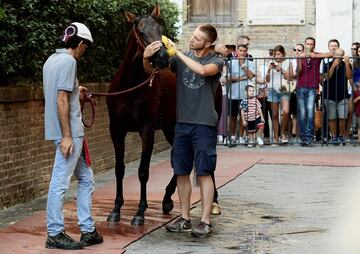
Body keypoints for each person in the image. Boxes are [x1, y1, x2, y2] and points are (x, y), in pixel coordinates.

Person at [143, 24, 224, 238]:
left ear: (208, 44)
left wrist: (177, 53)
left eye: (197, 38)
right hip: (182, 124)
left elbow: (204, 71)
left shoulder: (216, 61)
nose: (192, 39)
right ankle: (185, 218)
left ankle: (205, 221)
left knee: (205, 173)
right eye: (193, 36)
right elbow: (154, 72)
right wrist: (146, 57)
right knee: (181, 172)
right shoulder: (181, 57)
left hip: (204, 124)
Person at [43, 22, 103, 250]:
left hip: (65, 132)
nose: (84, 52)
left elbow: (60, 95)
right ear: (80, 44)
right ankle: (55, 233)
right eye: (85, 48)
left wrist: (78, 94)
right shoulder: (69, 62)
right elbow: (60, 99)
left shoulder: (51, 60)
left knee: (87, 179)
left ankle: (88, 230)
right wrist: (68, 136)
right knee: (59, 182)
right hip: (71, 135)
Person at [296, 37, 332, 146]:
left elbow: (330, 54)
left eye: (311, 44)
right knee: (302, 114)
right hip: (301, 86)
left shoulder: (316, 56)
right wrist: (300, 59)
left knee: (310, 113)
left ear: (314, 45)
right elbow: (298, 72)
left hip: (312, 87)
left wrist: (315, 56)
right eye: (307, 44)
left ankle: (309, 138)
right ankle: (303, 138)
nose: (309, 46)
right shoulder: (300, 56)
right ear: (305, 44)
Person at [262, 45, 294, 145]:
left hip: (284, 90)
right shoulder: (270, 63)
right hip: (272, 90)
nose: (277, 56)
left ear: (283, 53)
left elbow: (290, 77)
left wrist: (282, 70)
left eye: (279, 54)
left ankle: (282, 133)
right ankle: (276, 138)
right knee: (274, 115)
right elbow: (267, 80)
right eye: (275, 54)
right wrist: (268, 70)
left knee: (286, 111)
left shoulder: (288, 62)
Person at [323, 48, 352, 145]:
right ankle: (334, 136)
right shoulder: (327, 64)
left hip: (342, 95)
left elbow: (349, 76)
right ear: (333, 55)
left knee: (343, 117)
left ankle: (340, 136)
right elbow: (326, 77)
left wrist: (347, 64)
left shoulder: (346, 65)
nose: (339, 57)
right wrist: (333, 66)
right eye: (337, 54)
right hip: (329, 95)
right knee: (332, 118)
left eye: (341, 55)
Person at [227, 44, 255, 146]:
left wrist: (243, 65)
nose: (242, 53)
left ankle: (245, 138)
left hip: (246, 96)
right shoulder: (230, 62)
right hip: (233, 95)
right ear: (237, 51)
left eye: (244, 51)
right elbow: (228, 79)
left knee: (247, 117)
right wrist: (242, 78)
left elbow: (251, 76)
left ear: (246, 52)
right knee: (233, 117)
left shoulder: (250, 63)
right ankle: (232, 138)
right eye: (240, 50)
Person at [289, 43, 304, 144]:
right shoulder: (290, 61)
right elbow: (291, 75)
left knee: (301, 114)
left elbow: (297, 73)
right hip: (291, 89)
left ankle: (300, 135)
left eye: (299, 50)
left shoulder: (304, 61)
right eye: (295, 50)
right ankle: (293, 135)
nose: (297, 52)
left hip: (301, 88)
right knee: (292, 114)